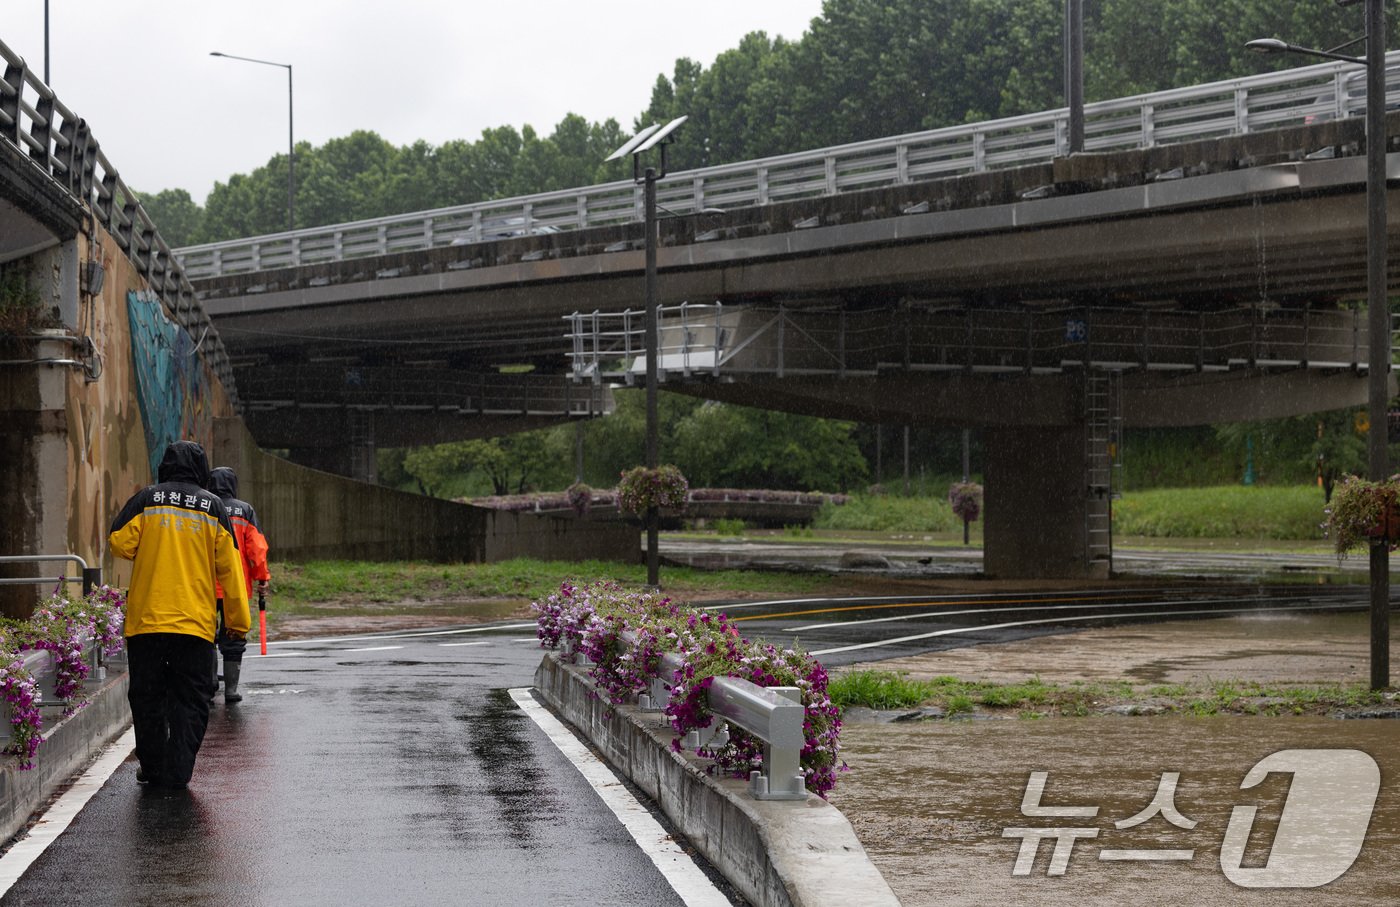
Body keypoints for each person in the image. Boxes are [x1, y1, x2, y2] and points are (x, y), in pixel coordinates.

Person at [109, 440, 250, 789]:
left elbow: (119, 542)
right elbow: (231, 570)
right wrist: (237, 622)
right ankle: (179, 771)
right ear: (201, 470)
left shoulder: (146, 499)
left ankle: (154, 768)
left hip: (147, 622)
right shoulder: (213, 507)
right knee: (192, 699)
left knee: (148, 697)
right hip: (195, 626)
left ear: (165, 466)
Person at [207, 465, 270, 703]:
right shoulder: (245, 510)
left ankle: (209, 685)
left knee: (205, 635)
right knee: (234, 636)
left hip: (206, 585)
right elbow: (257, 550)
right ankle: (231, 690)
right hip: (236, 586)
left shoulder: (204, 506)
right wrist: (262, 577)